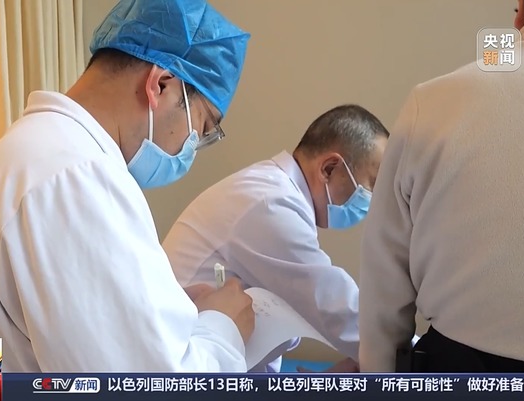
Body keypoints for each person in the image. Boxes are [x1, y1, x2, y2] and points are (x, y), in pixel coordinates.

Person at [0, 0, 256, 372]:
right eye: (201, 128)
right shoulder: (75, 176)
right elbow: (150, 385)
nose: (191, 149)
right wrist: (223, 328)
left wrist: (156, 314)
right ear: (160, 85)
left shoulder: (32, 149)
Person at [358, 0, 524, 372]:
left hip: (465, 376)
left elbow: (383, 291)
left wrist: (381, 380)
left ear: (523, 11)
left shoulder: (438, 98)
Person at [163, 105, 390, 372]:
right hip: (184, 370)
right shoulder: (270, 204)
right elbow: (338, 310)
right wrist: (420, 355)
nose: (373, 201)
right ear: (329, 168)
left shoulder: (275, 193)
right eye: (373, 185)